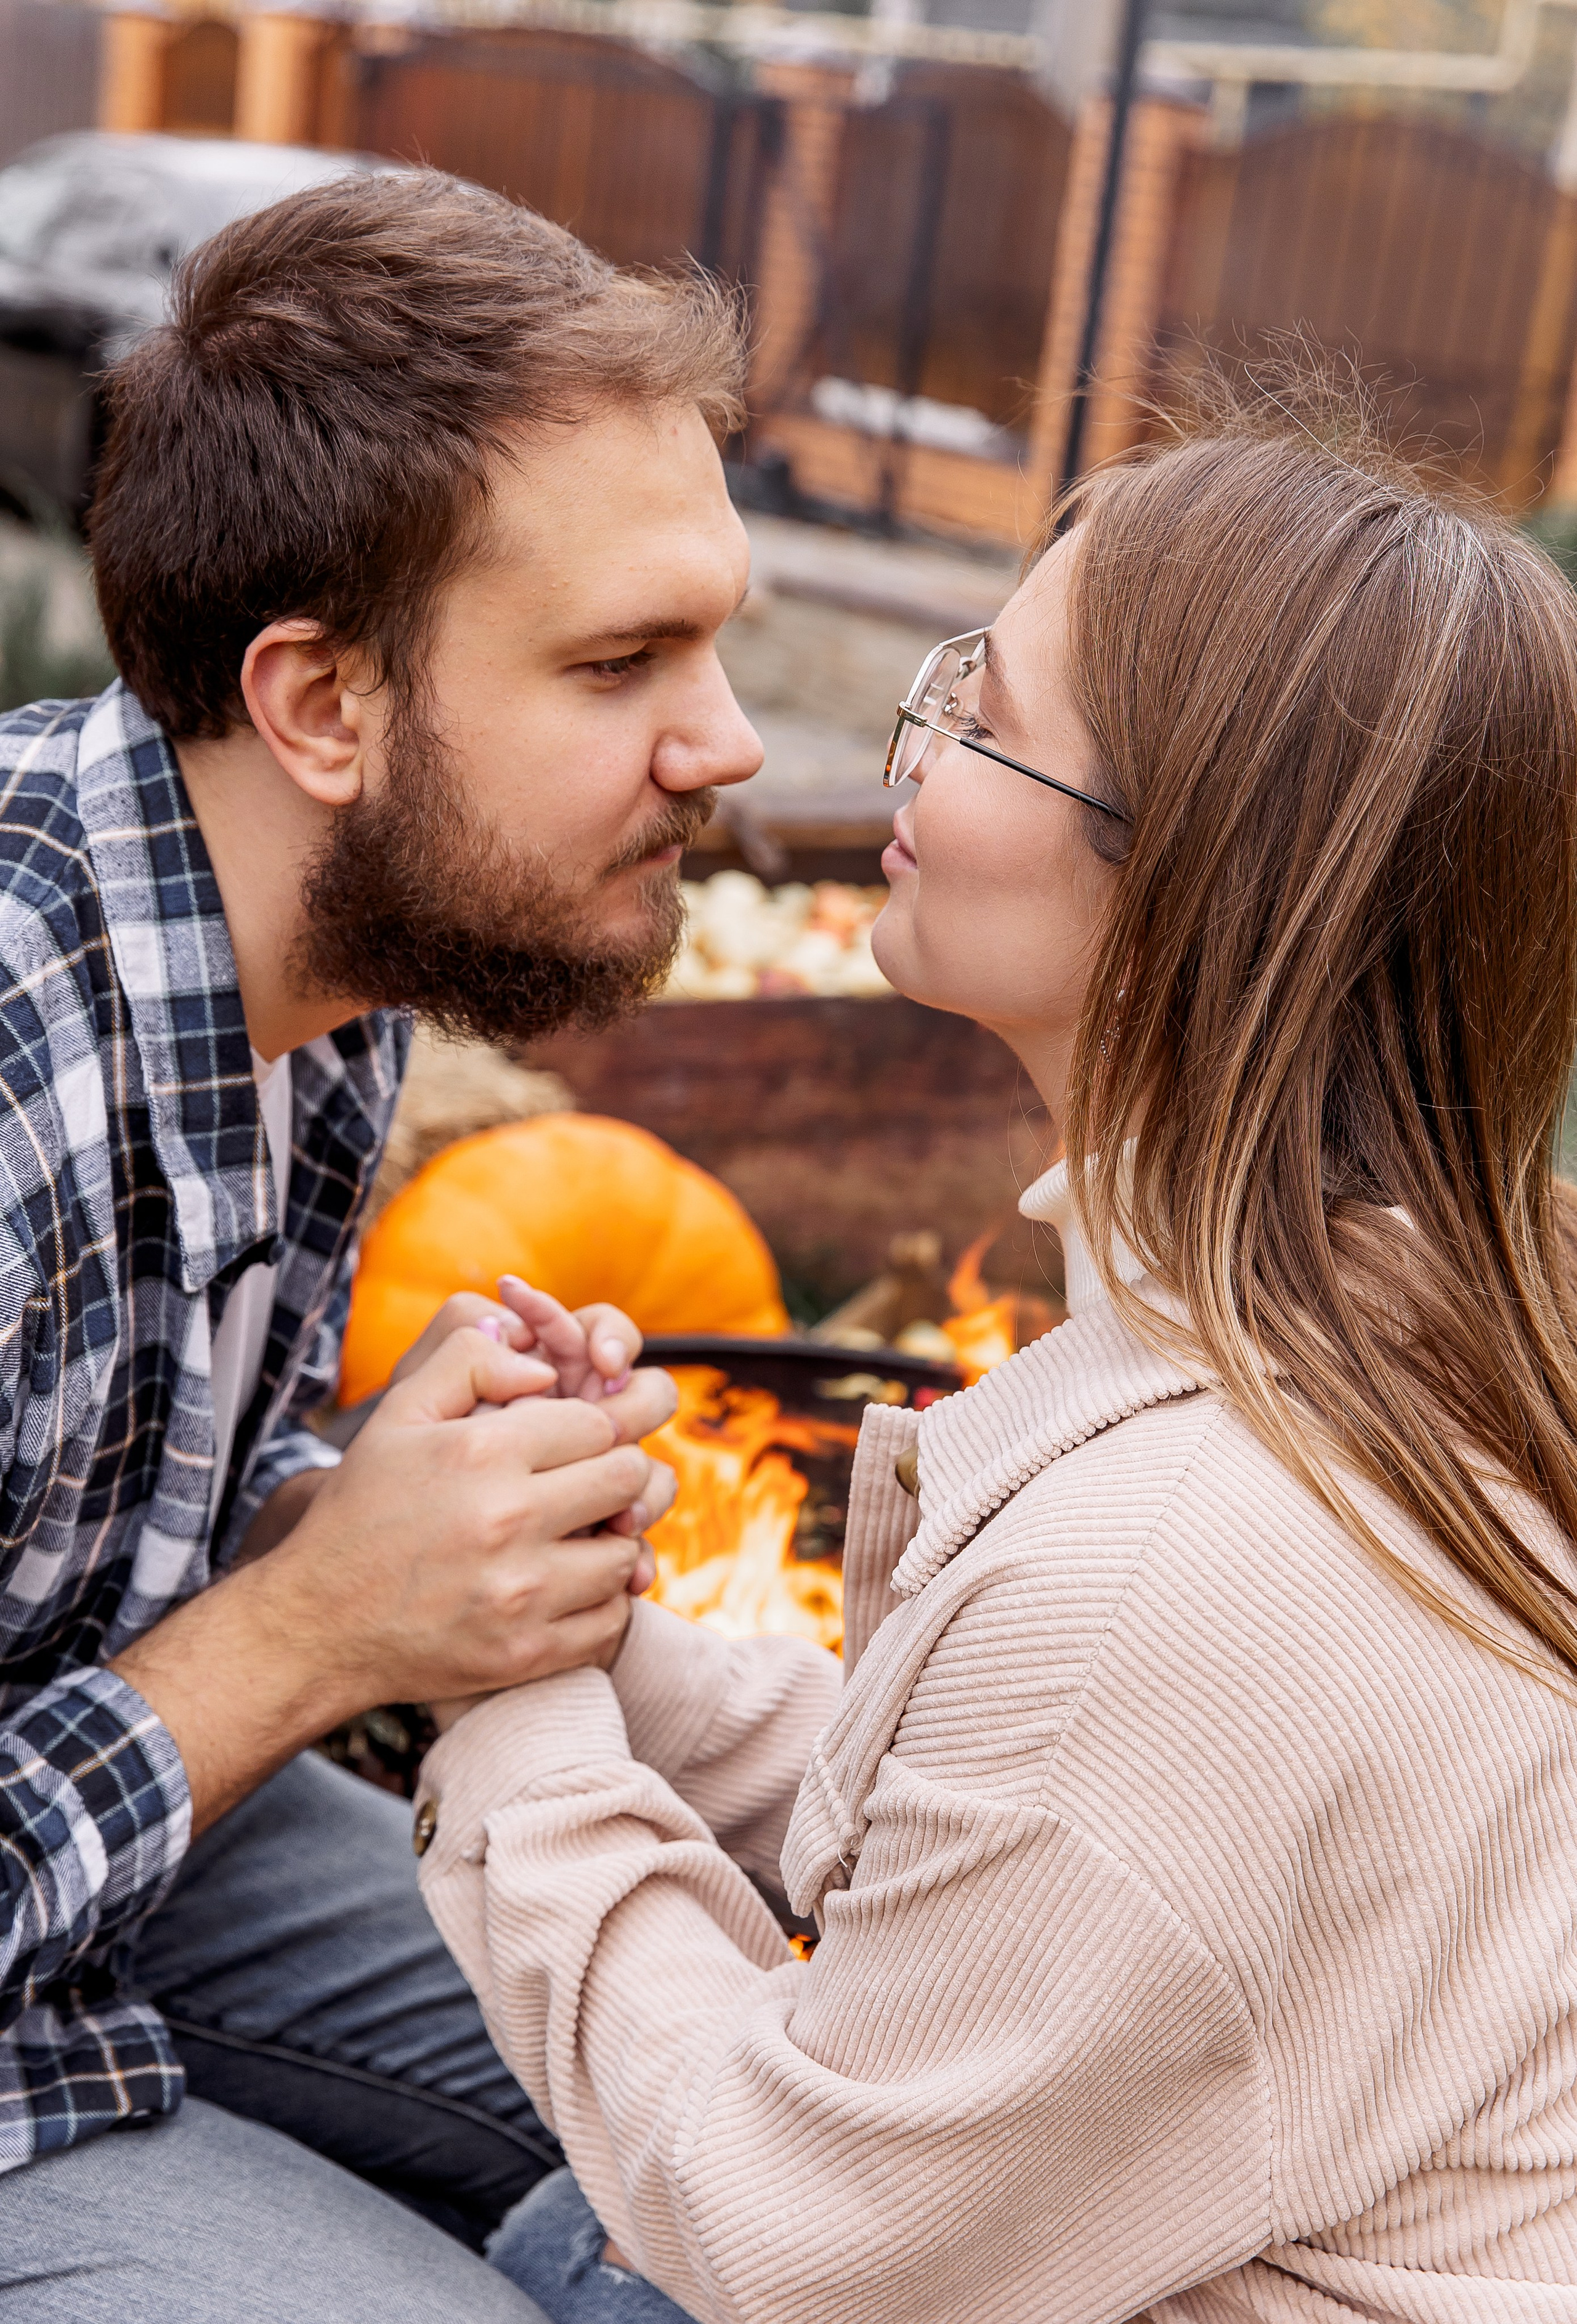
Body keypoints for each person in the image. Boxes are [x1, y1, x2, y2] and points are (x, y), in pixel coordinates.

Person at [419, 393, 1577, 2324]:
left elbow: (788, 2242)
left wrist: (500, 1717)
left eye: (989, 716)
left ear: (1185, 879)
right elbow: (1055, 1855)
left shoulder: (1178, 1563)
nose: (906, 744)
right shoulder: (1433, 1339)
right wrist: (611, 1644)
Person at [0, 166, 763, 2320]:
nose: (721, 746)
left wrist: (372, 1507)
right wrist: (321, 1634)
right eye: (623, 664)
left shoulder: (312, 974)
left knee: (754, 2154)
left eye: (713, 640)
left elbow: (100, 1538)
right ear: (322, 707)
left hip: (111, 1833)